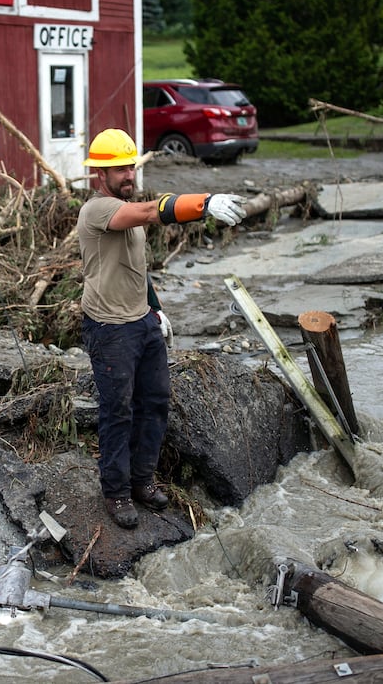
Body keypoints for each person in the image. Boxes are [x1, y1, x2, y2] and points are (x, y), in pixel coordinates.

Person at [76, 128, 246, 529]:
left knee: (154, 404)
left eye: (130, 166)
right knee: (117, 412)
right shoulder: (98, 210)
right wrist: (204, 203)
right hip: (110, 328)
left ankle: (142, 481)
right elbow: (155, 211)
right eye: (119, 168)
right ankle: (116, 494)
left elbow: (137, 269)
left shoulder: (127, 211)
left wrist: (156, 309)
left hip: (142, 323)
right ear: (99, 173)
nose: (127, 174)